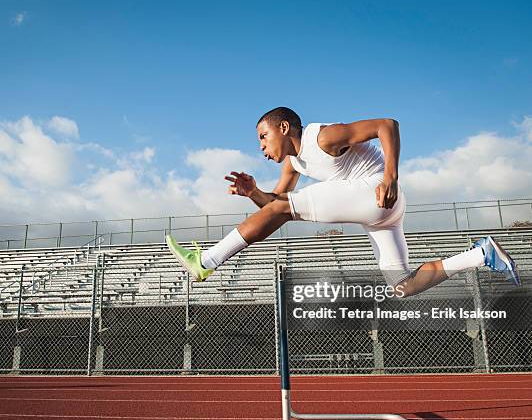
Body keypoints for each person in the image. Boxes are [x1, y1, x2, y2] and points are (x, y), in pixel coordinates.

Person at [166, 107, 521, 296]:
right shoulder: (293, 163)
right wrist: (253, 193)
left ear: (285, 128)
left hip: (375, 190)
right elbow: (275, 205)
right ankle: (481, 254)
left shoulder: (322, 137)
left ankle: (206, 261)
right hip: (382, 213)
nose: (260, 146)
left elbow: (387, 124)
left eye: (263, 136)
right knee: (402, 286)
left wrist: (390, 177)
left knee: (284, 209)